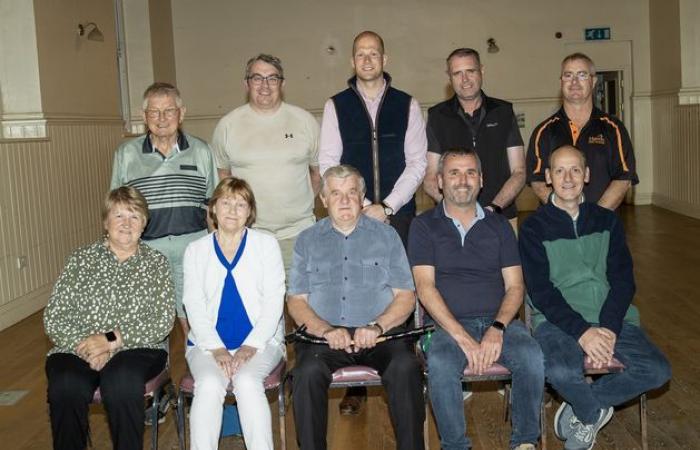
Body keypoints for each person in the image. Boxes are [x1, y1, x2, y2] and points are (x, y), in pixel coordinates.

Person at [519, 145, 671, 450]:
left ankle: (582, 408)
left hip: (611, 318)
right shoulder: (534, 227)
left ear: (586, 175)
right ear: (548, 177)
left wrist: (608, 328)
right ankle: (591, 412)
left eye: (575, 169)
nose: (568, 177)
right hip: (558, 322)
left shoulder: (607, 220)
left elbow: (623, 280)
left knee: (657, 370)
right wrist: (584, 332)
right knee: (560, 370)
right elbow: (541, 291)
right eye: (559, 170)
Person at [318, 29, 427, 414]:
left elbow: (418, 162)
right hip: (352, 214)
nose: (367, 59)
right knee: (356, 288)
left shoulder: (407, 104)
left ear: (385, 59)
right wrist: (363, 204)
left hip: (399, 215)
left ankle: (405, 371)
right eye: (360, 54)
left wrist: (389, 206)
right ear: (352, 61)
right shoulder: (336, 106)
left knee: (399, 290)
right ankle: (357, 382)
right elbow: (329, 161)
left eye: (374, 53)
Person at [408, 148, 543, 450]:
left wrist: (497, 328)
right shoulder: (424, 226)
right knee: (441, 362)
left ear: (481, 180)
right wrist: (463, 337)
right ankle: (455, 445)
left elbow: (515, 287)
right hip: (445, 328)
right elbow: (425, 288)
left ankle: (524, 443)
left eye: (470, 172)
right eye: (453, 173)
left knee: (531, 356)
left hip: (499, 322)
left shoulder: (500, 226)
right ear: (440, 181)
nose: (462, 180)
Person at [287, 165, 425, 450]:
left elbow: (406, 296)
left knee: (405, 366)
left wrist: (377, 326)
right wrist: (326, 331)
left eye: (352, 192)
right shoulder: (307, 240)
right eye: (336, 194)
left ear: (362, 196)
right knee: (306, 373)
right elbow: (296, 302)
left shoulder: (387, 237)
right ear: (323, 200)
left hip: (380, 334)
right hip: (324, 338)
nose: (345, 200)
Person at [44, 186, 175, 450]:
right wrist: (90, 345)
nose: (126, 224)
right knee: (65, 384)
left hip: (139, 349)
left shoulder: (157, 263)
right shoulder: (80, 260)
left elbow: (161, 320)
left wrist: (109, 341)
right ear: (106, 222)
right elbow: (55, 315)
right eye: (118, 216)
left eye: (134, 216)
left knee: (122, 381)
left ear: (144, 223)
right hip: (78, 346)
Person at [182, 177, 284, 450]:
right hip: (206, 346)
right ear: (213, 208)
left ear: (250, 212)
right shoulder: (195, 250)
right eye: (225, 202)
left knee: (248, 381)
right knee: (208, 384)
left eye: (241, 204)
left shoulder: (266, 245)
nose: (232, 210)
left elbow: (275, 301)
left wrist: (251, 345)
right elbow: (193, 304)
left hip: (261, 343)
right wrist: (216, 349)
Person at [111, 82, 218, 338]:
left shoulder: (201, 151)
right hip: (147, 248)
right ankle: (157, 371)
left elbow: (213, 205)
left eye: (169, 111)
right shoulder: (126, 154)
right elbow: (117, 209)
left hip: (192, 245)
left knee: (193, 315)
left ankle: (198, 367)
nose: (161, 119)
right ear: (143, 115)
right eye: (154, 112)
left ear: (182, 113)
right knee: (149, 317)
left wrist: (216, 249)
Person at [212, 53, 320, 275]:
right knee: (256, 307)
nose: (265, 86)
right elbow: (223, 177)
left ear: (282, 83)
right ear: (246, 83)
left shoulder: (305, 121)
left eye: (272, 78)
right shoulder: (228, 126)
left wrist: (301, 206)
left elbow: (318, 173)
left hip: (300, 235)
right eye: (257, 78)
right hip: (249, 236)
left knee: (302, 305)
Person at [424, 48, 525, 226]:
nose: (465, 80)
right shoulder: (437, 116)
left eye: (470, 71)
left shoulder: (504, 112)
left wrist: (493, 209)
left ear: (481, 71)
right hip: (452, 222)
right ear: (449, 77)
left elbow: (519, 172)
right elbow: (430, 177)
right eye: (457, 73)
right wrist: (454, 211)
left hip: (501, 217)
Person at [526, 53, 638, 210]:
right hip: (556, 226)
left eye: (582, 75)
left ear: (593, 81)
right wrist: (565, 214)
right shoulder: (543, 131)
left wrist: (593, 218)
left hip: (601, 225)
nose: (574, 82)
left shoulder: (614, 129)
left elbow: (623, 178)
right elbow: (537, 180)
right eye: (568, 75)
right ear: (561, 82)